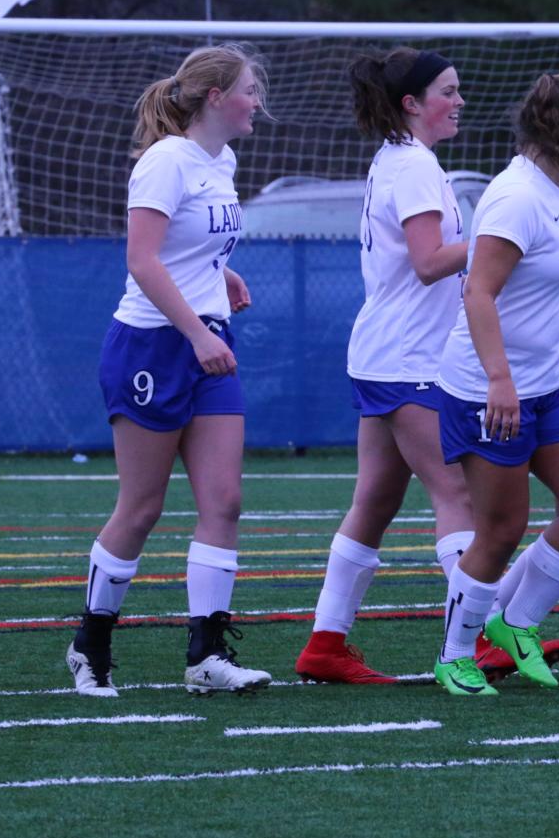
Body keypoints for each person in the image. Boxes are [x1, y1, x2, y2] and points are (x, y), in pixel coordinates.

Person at [67, 43, 273, 697]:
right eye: (247, 90)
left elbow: (191, 248)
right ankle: (90, 643)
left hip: (208, 339)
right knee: (142, 505)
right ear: (214, 97)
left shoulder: (223, 160)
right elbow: (143, 259)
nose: (255, 102)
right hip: (153, 346)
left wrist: (223, 272)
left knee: (225, 500)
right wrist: (193, 328)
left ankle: (206, 654)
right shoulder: (165, 161)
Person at [293, 48, 477, 684]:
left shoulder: (401, 160)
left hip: (385, 351)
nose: (458, 101)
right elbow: (430, 262)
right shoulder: (416, 165)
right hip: (407, 357)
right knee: (456, 492)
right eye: (447, 92)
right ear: (411, 103)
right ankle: (475, 639)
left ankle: (324, 644)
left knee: (374, 500)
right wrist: (502, 238)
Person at [431, 72, 559, 697]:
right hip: (490, 387)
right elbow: (477, 291)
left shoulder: (556, 188)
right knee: (501, 529)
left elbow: (536, 289)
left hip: (551, 380)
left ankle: (518, 623)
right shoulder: (518, 197)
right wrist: (500, 378)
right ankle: (456, 653)